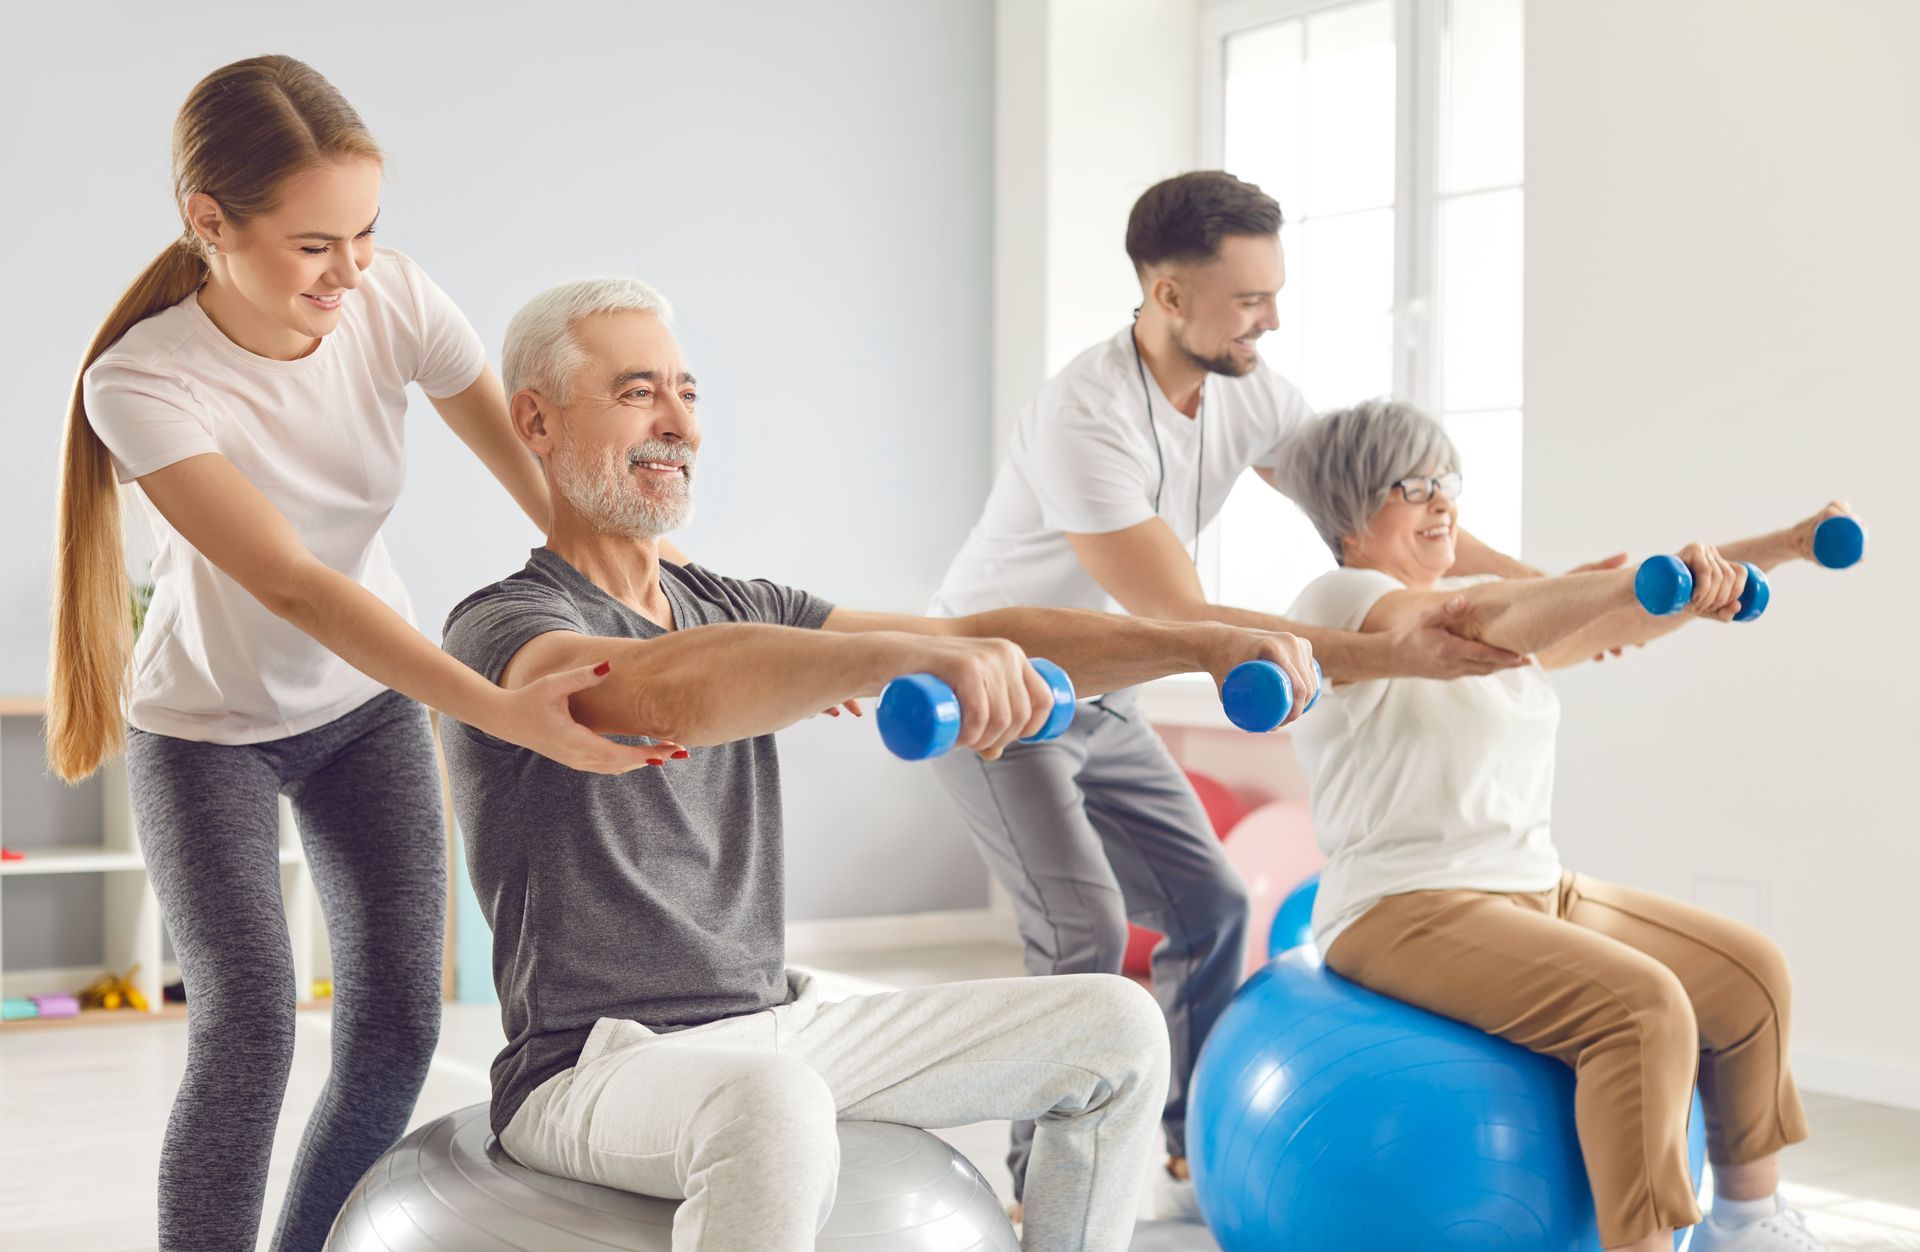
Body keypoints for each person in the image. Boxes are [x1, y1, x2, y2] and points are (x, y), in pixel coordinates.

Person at [438, 275, 1323, 1252]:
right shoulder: (504, 624)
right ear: (537, 420)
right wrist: (888, 657)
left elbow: (983, 631)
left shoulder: (734, 602)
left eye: (688, 393)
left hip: (776, 1021)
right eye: (638, 391)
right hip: (595, 1066)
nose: (677, 423)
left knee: (1113, 1026)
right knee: (771, 1105)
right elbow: (652, 687)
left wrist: (1197, 643)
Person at [48, 57, 662, 1252]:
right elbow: (292, 582)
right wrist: (491, 703)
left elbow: (542, 487)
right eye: (315, 244)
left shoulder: (396, 301)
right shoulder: (143, 381)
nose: (353, 269)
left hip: (364, 710)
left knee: (393, 1033)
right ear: (208, 223)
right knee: (251, 1030)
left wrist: (673, 600)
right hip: (207, 733)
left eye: (367, 231)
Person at [926, 169, 1541, 1208]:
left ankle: (1189, 1145)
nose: (1273, 319)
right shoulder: (1087, 416)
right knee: (1080, 934)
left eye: (1274, 292)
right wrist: (1397, 653)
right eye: (1250, 299)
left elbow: (1374, 500)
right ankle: (1040, 1187)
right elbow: (1187, 625)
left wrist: (1541, 589)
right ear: (1168, 298)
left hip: (1107, 686)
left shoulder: (1249, 388)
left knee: (1208, 903)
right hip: (999, 689)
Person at [1279, 397, 1834, 1252]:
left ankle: (1750, 1225)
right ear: (1352, 509)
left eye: (1448, 481)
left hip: (1534, 886)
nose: (1443, 503)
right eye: (1414, 484)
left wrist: (1776, 550)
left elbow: (1621, 620)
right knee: (1645, 1010)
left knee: (1749, 976)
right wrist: (1620, 579)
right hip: (1402, 906)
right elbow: (1476, 622)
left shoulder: (1478, 605)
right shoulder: (1345, 598)